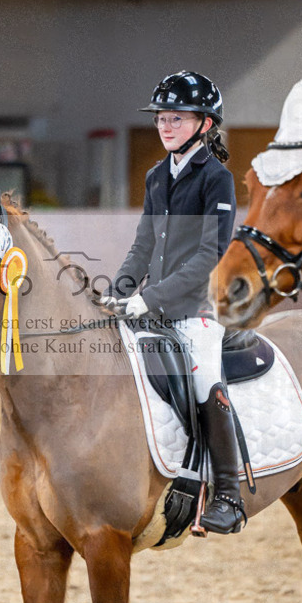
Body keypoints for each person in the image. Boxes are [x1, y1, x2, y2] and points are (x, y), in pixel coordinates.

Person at [100, 70, 245, 535]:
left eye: (177, 118)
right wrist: (120, 291)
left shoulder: (216, 179)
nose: (165, 126)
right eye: (162, 118)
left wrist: (151, 298)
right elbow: (143, 244)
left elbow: (208, 255)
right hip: (148, 307)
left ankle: (226, 493)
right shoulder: (156, 176)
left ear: (204, 124)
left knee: (205, 378)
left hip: (191, 315)